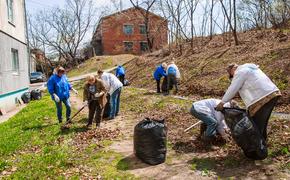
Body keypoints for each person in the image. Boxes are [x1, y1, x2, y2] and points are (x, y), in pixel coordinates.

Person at [216, 63, 281, 141]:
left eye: (231, 75)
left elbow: (233, 88)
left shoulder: (240, 72)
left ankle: (258, 147)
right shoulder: (251, 69)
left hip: (262, 98)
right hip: (271, 93)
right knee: (260, 123)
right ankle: (262, 144)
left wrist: (222, 102)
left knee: (256, 124)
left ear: (233, 69)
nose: (232, 77)